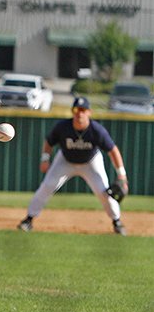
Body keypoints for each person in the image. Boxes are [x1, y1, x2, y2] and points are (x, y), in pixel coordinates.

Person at [18, 96, 128, 235]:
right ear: (72, 111)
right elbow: (49, 142)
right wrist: (45, 159)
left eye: (83, 110)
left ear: (89, 112)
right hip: (65, 160)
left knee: (103, 192)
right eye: (76, 110)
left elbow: (113, 150)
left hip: (90, 162)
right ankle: (28, 220)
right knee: (47, 185)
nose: (79, 113)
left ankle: (116, 222)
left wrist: (122, 174)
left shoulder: (96, 130)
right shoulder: (63, 127)